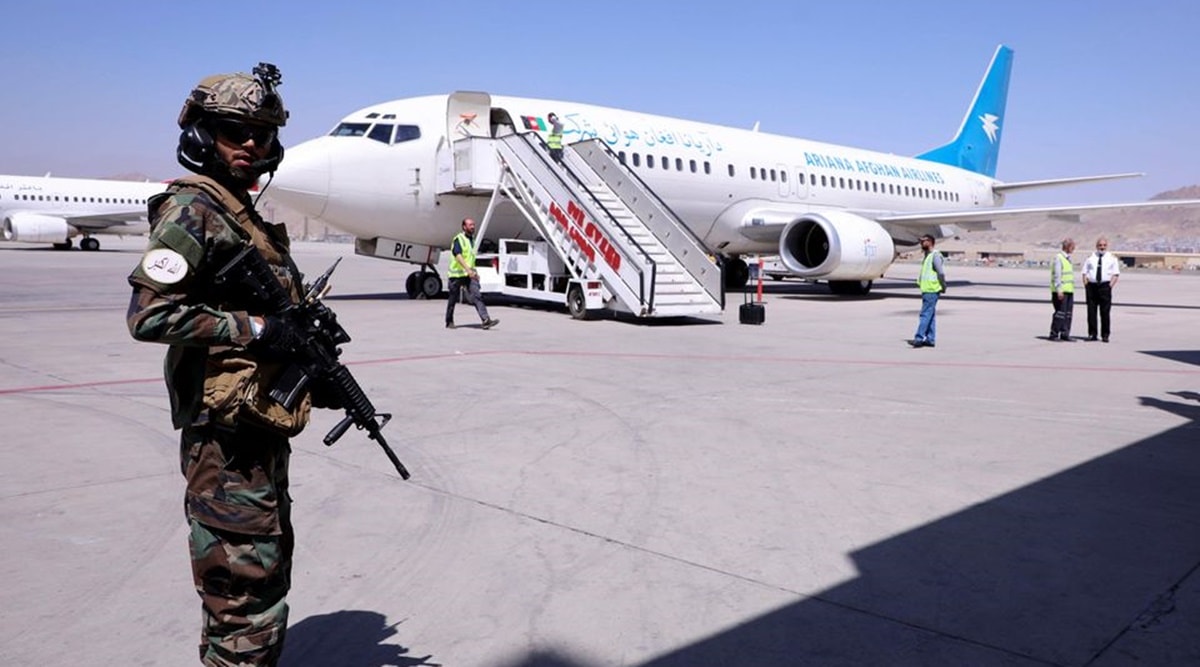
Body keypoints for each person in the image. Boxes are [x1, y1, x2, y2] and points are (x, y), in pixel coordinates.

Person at [127, 63, 318, 666]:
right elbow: (149, 316)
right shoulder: (193, 211)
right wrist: (257, 327)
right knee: (243, 594)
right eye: (235, 131)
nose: (251, 145)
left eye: (262, 133)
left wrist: (305, 358)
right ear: (202, 133)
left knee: (259, 577)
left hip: (255, 429)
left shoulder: (241, 214)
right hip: (224, 442)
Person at [445, 217, 499, 329]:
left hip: (469, 275)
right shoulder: (458, 239)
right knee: (453, 299)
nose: (473, 227)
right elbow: (458, 255)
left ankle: (485, 320)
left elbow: (471, 259)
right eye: (470, 225)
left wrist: (474, 272)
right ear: (464, 227)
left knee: (477, 295)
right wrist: (468, 270)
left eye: (473, 224)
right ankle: (449, 321)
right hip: (456, 275)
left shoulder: (472, 240)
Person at [910, 234, 946, 348]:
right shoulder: (928, 255)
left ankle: (919, 338)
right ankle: (930, 339)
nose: (921, 244)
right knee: (930, 315)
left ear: (930, 242)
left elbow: (940, 272)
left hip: (932, 290)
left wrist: (943, 285)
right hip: (927, 289)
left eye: (923, 241)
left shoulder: (935, 256)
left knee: (925, 315)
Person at [1082, 236, 1120, 342]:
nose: (1102, 247)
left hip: (1104, 287)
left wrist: (1109, 286)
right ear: (1096, 246)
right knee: (1091, 312)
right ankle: (1092, 334)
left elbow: (1116, 274)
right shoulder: (1090, 257)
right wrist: (1086, 285)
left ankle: (1105, 334)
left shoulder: (1112, 258)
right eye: (1100, 245)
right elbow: (1084, 273)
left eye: (1104, 245)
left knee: (1105, 312)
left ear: (1107, 246)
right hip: (1092, 287)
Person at [1049, 237, 1076, 341]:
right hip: (1061, 291)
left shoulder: (1067, 259)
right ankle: (1054, 333)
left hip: (1069, 291)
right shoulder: (1059, 258)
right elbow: (1057, 275)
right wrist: (1059, 289)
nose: (1073, 249)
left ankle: (1065, 333)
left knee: (1068, 314)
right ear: (1068, 247)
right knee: (1060, 313)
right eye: (1072, 247)